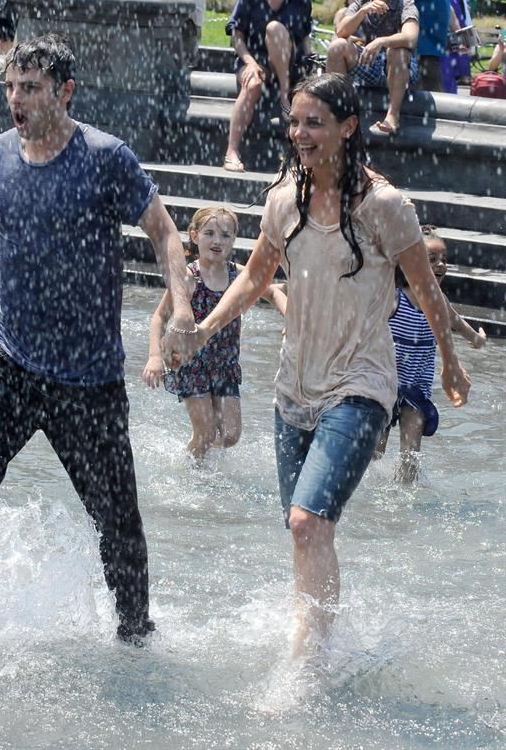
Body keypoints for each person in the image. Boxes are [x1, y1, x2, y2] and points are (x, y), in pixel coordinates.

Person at [173, 73, 470, 655]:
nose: (300, 133)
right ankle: (319, 636)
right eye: (294, 122)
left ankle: (305, 663)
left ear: (348, 127)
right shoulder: (284, 199)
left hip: (360, 386)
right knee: (302, 526)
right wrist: (205, 330)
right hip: (294, 389)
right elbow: (257, 277)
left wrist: (451, 363)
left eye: (314, 122)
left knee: (309, 522)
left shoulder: (384, 208)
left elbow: (426, 289)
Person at [0, 34, 195, 644]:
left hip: (89, 379)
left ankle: (135, 635)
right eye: (11, 87)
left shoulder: (106, 157)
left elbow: (164, 234)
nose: (17, 99)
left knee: (117, 522)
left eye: (31, 87)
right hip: (13, 361)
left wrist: (182, 306)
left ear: (65, 92)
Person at [142, 206, 286, 458]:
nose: (217, 241)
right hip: (192, 364)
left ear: (233, 240)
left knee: (230, 435)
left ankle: (201, 452)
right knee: (207, 434)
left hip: (225, 364)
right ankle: (191, 469)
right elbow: (159, 317)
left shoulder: (237, 275)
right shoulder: (188, 278)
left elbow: (272, 292)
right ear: (194, 236)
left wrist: (291, 317)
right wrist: (155, 356)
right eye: (209, 233)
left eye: (226, 235)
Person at [376, 225, 486, 482]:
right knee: (374, 451)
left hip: (417, 390)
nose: (440, 265)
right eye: (432, 259)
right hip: (384, 386)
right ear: (411, 263)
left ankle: (403, 501)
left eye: (444, 260)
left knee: (411, 455)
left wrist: (476, 339)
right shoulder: (394, 299)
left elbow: (457, 322)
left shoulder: (440, 302)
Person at [223, 0, 313, 172]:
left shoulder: (301, 2)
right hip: (254, 60)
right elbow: (237, 37)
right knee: (252, 85)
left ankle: (284, 93)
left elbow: (304, 38)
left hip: (289, 64)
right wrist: (250, 63)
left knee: (274, 28)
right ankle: (231, 151)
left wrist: (310, 63)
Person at [327, 0, 419, 135]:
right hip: (369, 62)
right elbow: (341, 31)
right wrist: (363, 11)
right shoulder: (361, 2)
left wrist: (381, 41)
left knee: (397, 52)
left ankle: (393, 115)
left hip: (401, 67)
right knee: (337, 46)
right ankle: (339, 112)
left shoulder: (405, 3)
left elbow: (410, 37)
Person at [415, 0, 450, 92]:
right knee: (431, 99)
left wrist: (458, 34)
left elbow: (449, 8)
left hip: (435, 50)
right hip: (422, 51)